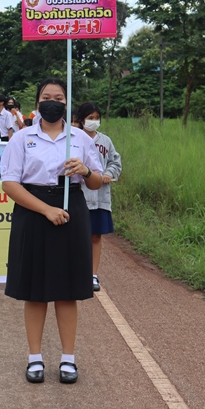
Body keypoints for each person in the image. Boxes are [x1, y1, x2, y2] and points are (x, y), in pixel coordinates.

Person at [0, 78, 103, 385]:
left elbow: (97, 181)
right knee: (35, 290)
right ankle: (35, 358)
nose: (53, 102)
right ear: (37, 102)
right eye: (47, 96)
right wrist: (45, 209)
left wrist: (85, 170)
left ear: (67, 104)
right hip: (33, 211)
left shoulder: (80, 138)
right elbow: (10, 184)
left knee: (67, 290)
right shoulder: (22, 138)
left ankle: (68, 358)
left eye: (59, 98)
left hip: (72, 209)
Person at [76, 102, 122, 292]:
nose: (94, 121)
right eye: (90, 118)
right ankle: (77, 271)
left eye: (97, 118)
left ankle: (93, 274)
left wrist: (109, 173)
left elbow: (115, 162)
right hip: (80, 196)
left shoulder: (105, 141)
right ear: (81, 120)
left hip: (100, 196)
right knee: (77, 236)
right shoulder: (74, 139)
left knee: (95, 236)